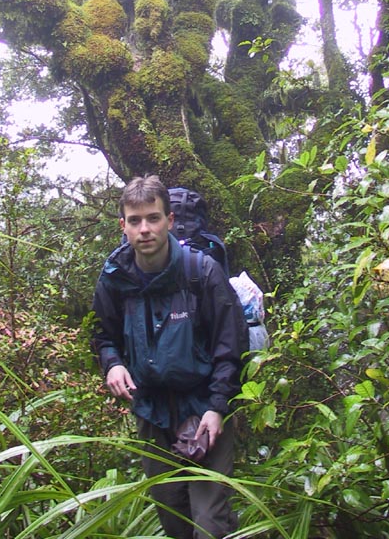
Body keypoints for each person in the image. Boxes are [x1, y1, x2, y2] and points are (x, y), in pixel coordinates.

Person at [92, 175, 248, 539]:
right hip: (151, 410)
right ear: (123, 225)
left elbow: (231, 344)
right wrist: (113, 363)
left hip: (205, 406)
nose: (145, 229)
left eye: (153, 218)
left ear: (170, 220)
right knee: (174, 520)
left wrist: (218, 406)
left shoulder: (201, 272)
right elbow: (103, 334)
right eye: (135, 220)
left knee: (209, 523)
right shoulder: (115, 278)